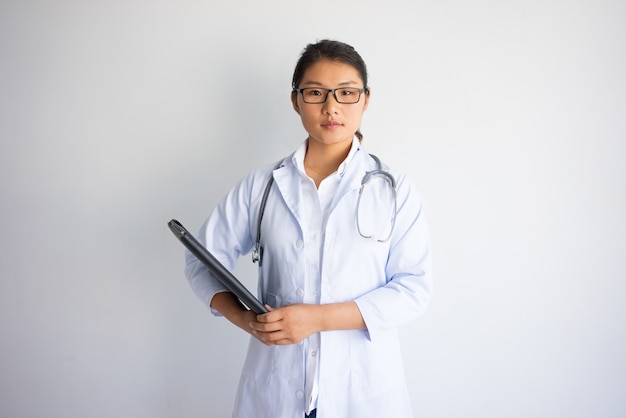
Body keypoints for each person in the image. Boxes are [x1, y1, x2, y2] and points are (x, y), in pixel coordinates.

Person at [185, 39, 433, 418]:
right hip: (276, 390)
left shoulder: (393, 190)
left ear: (365, 99)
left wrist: (316, 319)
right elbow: (201, 262)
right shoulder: (261, 186)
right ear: (295, 100)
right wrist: (246, 320)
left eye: (346, 93)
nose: (331, 106)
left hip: (362, 393)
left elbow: (413, 289)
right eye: (316, 92)